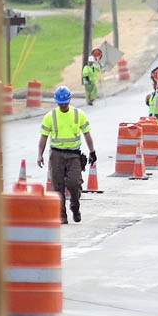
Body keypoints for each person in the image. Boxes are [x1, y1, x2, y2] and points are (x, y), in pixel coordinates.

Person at [37, 86, 96, 224]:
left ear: (69, 100)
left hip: (74, 156)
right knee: (57, 187)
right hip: (56, 155)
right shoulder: (50, 116)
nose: (63, 105)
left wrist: (92, 151)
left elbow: (87, 134)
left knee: (74, 183)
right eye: (60, 103)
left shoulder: (78, 114)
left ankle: (75, 208)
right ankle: (61, 216)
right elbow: (43, 138)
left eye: (65, 102)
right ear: (56, 102)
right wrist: (40, 155)